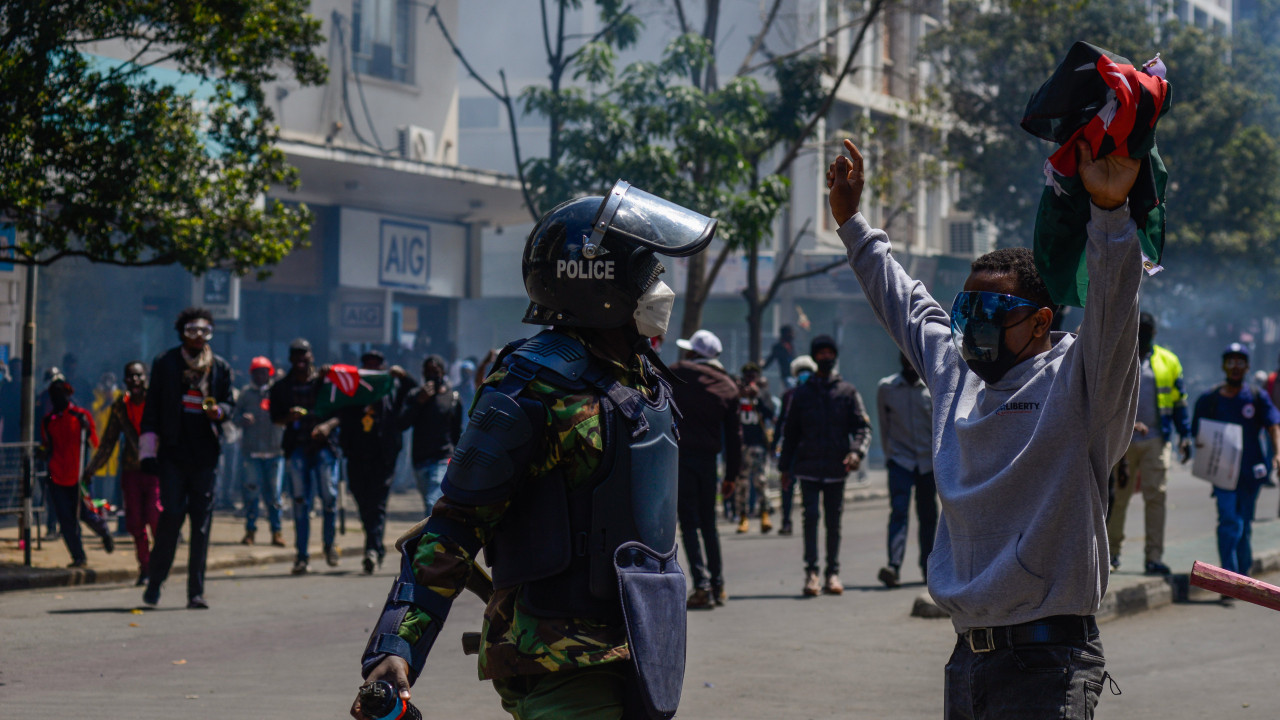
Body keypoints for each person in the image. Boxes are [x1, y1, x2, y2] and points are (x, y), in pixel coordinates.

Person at [351, 181, 714, 720]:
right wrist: (397, 646)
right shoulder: (530, 385)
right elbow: (454, 525)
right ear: (599, 286)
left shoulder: (637, 374)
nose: (659, 286)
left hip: (641, 649)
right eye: (646, 273)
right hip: (561, 664)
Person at [829, 136, 1143, 717]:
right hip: (967, 660)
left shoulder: (1080, 383)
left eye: (992, 314)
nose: (972, 327)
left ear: (1041, 320)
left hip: (1049, 663)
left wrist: (1109, 212)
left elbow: (1114, 310)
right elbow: (904, 304)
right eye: (965, 312)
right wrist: (852, 223)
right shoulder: (957, 374)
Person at [139, 307, 234, 609]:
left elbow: (228, 403)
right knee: (171, 518)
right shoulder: (165, 363)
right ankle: (154, 584)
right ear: (182, 332)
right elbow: (151, 408)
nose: (198, 337)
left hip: (205, 456)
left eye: (204, 332)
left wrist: (219, 411)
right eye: (192, 331)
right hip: (173, 454)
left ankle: (196, 592)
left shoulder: (219, 367)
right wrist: (148, 452)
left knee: (201, 525)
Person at [777, 334, 872, 597]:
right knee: (810, 519)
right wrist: (784, 469)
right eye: (822, 353)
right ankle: (812, 573)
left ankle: (832, 572)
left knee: (833, 522)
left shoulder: (847, 392)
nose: (826, 357)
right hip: (807, 467)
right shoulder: (802, 394)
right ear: (815, 356)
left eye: (830, 353)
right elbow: (791, 433)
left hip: (836, 468)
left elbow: (863, 428)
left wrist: (856, 454)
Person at [1106, 312, 1192, 575]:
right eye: (1138, 331)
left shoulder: (1169, 361)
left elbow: (1179, 402)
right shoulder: (1119, 357)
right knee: (1118, 498)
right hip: (1123, 440)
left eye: (1145, 332)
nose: (1141, 337)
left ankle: (1153, 557)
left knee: (1157, 497)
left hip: (1157, 438)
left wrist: (1185, 435)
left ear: (1153, 334)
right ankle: (1111, 555)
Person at [1190, 343, 1280, 587]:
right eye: (1231, 361)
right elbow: (1197, 432)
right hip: (1222, 474)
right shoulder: (1210, 399)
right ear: (1223, 366)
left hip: (1251, 473)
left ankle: (1243, 576)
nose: (1235, 366)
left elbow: (1273, 424)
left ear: (1247, 366)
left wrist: (1277, 453)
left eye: (1240, 362)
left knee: (1245, 524)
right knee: (1230, 522)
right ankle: (1228, 580)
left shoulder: (1256, 396)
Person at [671, 329, 743, 609]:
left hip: (680, 460)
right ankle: (718, 584)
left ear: (692, 353)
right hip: (709, 464)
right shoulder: (727, 386)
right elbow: (734, 438)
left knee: (689, 523)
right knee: (709, 524)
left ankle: (700, 586)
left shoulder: (676, 374)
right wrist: (731, 476)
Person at [337, 350, 414, 574]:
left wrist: (404, 376)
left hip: (383, 458)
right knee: (363, 502)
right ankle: (375, 546)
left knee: (377, 504)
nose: (373, 369)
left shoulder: (392, 390)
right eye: (368, 365)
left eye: (377, 366)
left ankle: (371, 549)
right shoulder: (353, 391)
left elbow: (412, 393)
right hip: (357, 457)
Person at [271, 338, 341, 575]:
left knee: (329, 498)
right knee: (300, 503)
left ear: (311, 356)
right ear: (291, 359)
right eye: (296, 355)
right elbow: (275, 417)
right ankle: (302, 556)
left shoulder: (325, 382)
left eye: (304, 355)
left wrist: (327, 427)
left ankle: (330, 545)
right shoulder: (281, 387)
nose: (300, 360)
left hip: (324, 447)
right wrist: (288, 418)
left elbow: (341, 411)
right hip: (297, 448)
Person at [82, 362, 157, 585]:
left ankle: (157, 564)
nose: (134, 381)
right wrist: (91, 470)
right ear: (124, 380)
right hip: (131, 471)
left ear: (146, 378)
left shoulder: (157, 403)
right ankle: (145, 567)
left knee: (156, 519)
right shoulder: (120, 408)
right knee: (135, 522)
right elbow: (108, 442)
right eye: (130, 377)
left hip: (156, 472)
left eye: (138, 376)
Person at [875, 352, 936, 588]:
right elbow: (883, 425)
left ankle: (928, 569)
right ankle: (894, 566)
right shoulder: (887, 388)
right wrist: (890, 455)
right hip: (900, 462)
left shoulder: (931, 387)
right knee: (898, 513)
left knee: (928, 516)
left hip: (928, 463)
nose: (910, 365)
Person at [41, 376, 114, 567]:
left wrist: (87, 431)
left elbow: (93, 443)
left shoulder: (81, 416)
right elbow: (47, 446)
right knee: (66, 520)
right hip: (56, 477)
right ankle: (78, 556)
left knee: (85, 514)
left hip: (78, 477)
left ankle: (103, 532)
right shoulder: (48, 421)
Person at [398, 354, 462, 516]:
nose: (432, 375)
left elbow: (457, 433)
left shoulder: (453, 398)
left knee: (432, 502)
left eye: (435, 371)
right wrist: (420, 401)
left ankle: (430, 539)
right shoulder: (415, 395)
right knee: (429, 499)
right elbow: (402, 423)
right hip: (420, 459)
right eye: (428, 371)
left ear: (443, 372)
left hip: (443, 457)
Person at [232, 356, 286, 548]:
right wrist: (242, 419)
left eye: (264, 372)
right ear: (252, 374)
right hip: (252, 452)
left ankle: (277, 531)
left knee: (275, 496)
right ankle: (250, 531)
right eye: (257, 372)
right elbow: (234, 416)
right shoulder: (246, 394)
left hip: (275, 451)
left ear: (269, 373)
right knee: (251, 494)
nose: (261, 375)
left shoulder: (277, 392)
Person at [735, 362, 774, 534]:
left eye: (753, 375)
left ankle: (765, 514)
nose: (750, 379)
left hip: (758, 444)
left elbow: (771, 412)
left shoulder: (763, 393)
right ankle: (743, 517)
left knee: (761, 481)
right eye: (747, 375)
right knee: (741, 483)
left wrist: (758, 398)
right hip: (741, 444)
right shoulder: (737, 393)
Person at [762, 325, 797, 389]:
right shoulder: (778, 347)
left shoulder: (791, 346)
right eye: (790, 333)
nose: (792, 335)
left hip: (795, 374)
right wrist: (763, 365)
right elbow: (771, 358)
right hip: (787, 375)